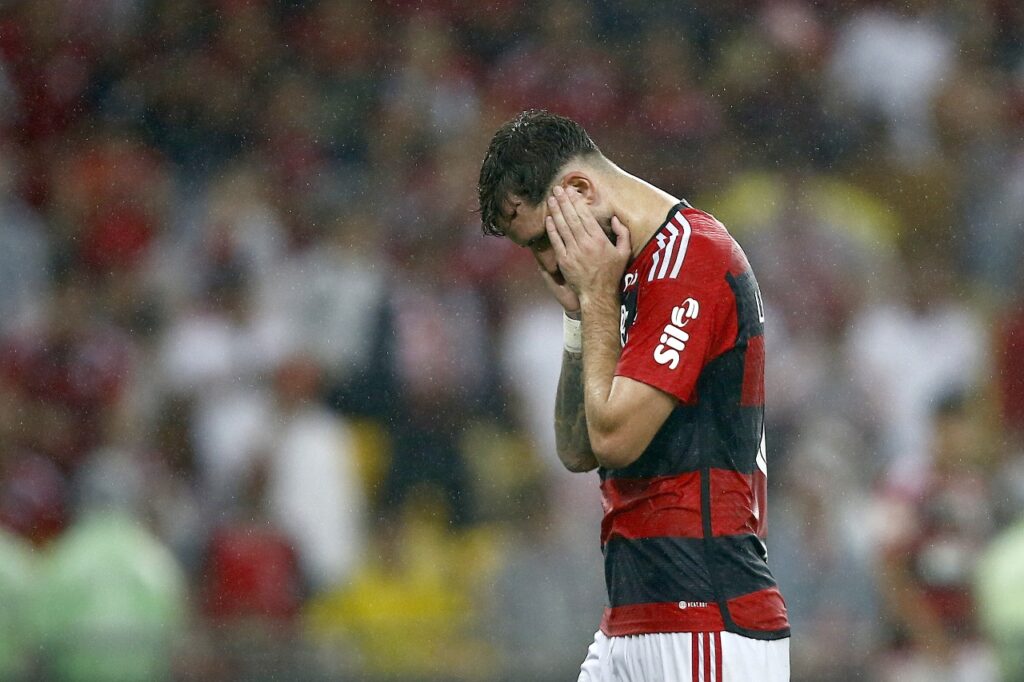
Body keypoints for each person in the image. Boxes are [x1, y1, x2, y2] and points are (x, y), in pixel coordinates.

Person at [477, 110, 790, 681]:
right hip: (632, 620)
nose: (549, 262)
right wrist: (579, 321)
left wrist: (597, 298)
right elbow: (578, 449)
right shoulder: (627, 275)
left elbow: (615, 438)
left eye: (547, 237)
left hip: (705, 624)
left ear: (578, 189)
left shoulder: (691, 257)